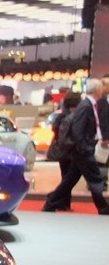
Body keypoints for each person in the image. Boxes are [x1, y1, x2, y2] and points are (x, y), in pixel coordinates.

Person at [43, 79, 109, 214]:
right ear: (97, 90)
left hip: (81, 150)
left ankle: (50, 203)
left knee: (69, 180)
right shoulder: (86, 106)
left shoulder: (88, 105)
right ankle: (104, 208)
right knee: (95, 179)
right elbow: (78, 130)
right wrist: (84, 147)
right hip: (83, 151)